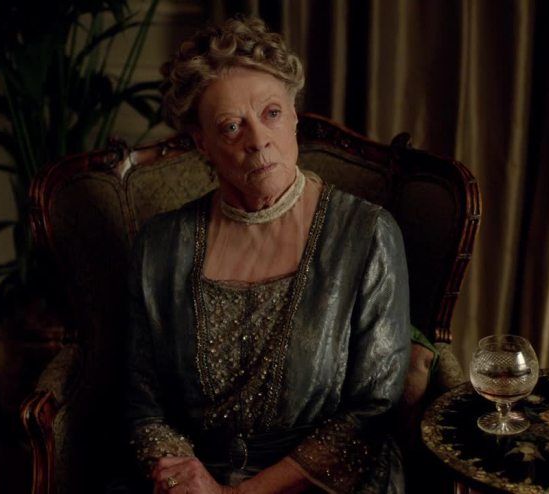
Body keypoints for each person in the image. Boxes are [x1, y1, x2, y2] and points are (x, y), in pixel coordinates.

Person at [125, 16, 412, 494]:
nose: (258, 140)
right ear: (202, 144)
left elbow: (372, 411)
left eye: (272, 113)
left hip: (326, 483)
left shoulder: (367, 236)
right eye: (231, 126)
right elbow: (142, 404)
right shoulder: (160, 247)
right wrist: (185, 479)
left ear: (295, 115)